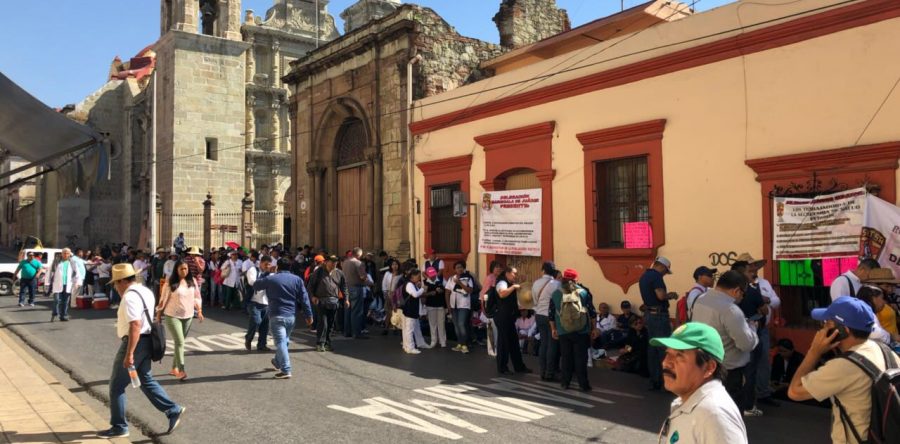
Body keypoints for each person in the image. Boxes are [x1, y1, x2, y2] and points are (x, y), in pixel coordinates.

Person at [789, 296, 900, 443]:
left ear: (842, 330)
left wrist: (813, 352)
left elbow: (794, 392)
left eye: (826, 323)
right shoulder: (885, 351)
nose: (823, 328)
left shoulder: (843, 366)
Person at [98, 263, 184, 438]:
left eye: (115, 283)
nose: (115, 287)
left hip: (135, 342)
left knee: (116, 385)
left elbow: (135, 325)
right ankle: (172, 409)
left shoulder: (129, 297)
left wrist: (129, 354)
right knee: (145, 379)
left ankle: (119, 426)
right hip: (146, 341)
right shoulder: (145, 291)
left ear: (122, 281)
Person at [654, 322, 748, 444]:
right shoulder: (690, 402)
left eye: (679, 356)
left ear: (709, 368)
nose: (666, 363)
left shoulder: (714, 414)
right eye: (668, 353)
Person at [690, 270, 759, 416]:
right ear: (736, 290)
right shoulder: (730, 310)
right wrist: (752, 328)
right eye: (743, 294)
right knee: (729, 417)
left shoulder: (701, 299)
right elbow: (745, 344)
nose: (742, 297)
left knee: (707, 413)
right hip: (727, 371)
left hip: (704, 366)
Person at [252, 258, 313, 379]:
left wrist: (266, 272)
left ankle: (286, 369)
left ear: (277, 267)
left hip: (276, 314)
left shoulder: (271, 278)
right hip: (291, 315)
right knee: (284, 341)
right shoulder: (297, 280)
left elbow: (256, 285)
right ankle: (277, 362)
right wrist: (309, 315)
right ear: (290, 267)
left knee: (280, 342)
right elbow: (304, 298)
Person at [549, 269, 597, 391]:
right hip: (582, 330)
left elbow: (551, 313)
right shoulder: (584, 292)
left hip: (563, 330)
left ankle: (565, 383)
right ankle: (583, 384)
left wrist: (553, 329)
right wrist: (594, 328)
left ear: (564, 278)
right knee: (581, 358)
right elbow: (592, 312)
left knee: (566, 357)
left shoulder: (556, 293)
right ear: (576, 279)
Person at [155, 261, 204, 380]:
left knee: (179, 343)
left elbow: (197, 297)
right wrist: (159, 314)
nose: (184, 271)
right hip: (172, 316)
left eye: (186, 269)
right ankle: (181, 370)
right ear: (176, 270)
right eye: (181, 269)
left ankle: (174, 368)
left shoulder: (192, 281)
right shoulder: (170, 283)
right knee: (180, 342)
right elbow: (163, 299)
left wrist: (200, 311)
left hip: (188, 316)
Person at [731, 260, 768, 416]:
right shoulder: (752, 291)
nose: (752, 273)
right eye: (748, 271)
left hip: (732, 335)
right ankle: (747, 406)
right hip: (751, 335)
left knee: (734, 371)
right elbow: (764, 310)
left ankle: (734, 404)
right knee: (750, 372)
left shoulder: (726, 293)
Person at [639, 257, 678, 391]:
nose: (665, 274)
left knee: (653, 348)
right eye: (666, 271)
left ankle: (654, 381)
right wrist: (671, 295)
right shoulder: (656, 277)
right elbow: (661, 296)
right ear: (661, 267)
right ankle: (666, 382)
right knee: (663, 348)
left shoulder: (644, 276)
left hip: (649, 314)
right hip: (659, 315)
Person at [307, 255, 349, 352]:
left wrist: (346, 299)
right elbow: (310, 286)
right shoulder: (319, 272)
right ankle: (320, 343)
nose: (334, 263)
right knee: (323, 323)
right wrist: (312, 296)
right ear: (326, 262)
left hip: (334, 301)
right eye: (332, 261)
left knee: (330, 324)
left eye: (335, 262)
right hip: (321, 301)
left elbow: (344, 287)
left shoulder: (340, 273)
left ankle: (327, 343)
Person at [494, 266, 531, 375]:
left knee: (513, 343)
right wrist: (513, 287)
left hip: (509, 317)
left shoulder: (509, 284)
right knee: (503, 343)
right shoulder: (502, 282)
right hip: (502, 317)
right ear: (507, 273)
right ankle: (502, 368)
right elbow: (502, 293)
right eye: (514, 273)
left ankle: (519, 366)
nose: (516, 275)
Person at [532, 261, 561, 381]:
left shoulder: (536, 283)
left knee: (543, 343)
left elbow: (534, 300)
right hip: (551, 317)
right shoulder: (556, 284)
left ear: (543, 270)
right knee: (552, 344)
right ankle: (550, 372)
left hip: (539, 315)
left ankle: (542, 371)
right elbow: (559, 301)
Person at [445, 261, 475, 353]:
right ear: (455, 269)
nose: (460, 269)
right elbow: (447, 292)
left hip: (464, 305)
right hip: (454, 305)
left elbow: (470, 290)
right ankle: (460, 343)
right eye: (457, 267)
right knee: (456, 325)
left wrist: (460, 283)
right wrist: (448, 305)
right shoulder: (451, 279)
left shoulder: (468, 278)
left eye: (461, 267)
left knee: (461, 324)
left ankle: (465, 344)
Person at [244, 255, 272, 352]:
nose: (267, 267)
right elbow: (253, 283)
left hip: (266, 302)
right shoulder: (253, 270)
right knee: (256, 321)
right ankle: (248, 338)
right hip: (254, 301)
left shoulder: (270, 274)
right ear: (260, 263)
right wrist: (267, 277)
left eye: (269, 265)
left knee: (265, 325)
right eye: (265, 265)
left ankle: (262, 344)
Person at [342, 247, 370, 339]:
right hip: (356, 288)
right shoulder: (358, 263)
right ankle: (356, 333)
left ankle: (347, 332)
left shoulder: (345, 262)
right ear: (358, 255)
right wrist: (367, 279)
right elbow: (362, 277)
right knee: (357, 311)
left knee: (347, 310)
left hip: (346, 288)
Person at [48, 248, 82, 322]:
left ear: (70, 254)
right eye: (64, 253)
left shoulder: (72, 262)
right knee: (57, 300)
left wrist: (78, 282)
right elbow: (50, 271)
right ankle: (55, 312)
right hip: (57, 284)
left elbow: (77, 273)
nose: (66, 255)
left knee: (65, 301)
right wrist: (47, 282)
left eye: (67, 253)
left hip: (68, 284)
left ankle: (63, 315)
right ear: (61, 254)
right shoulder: (56, 262)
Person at [401, 269, 428, 354]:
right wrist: (422, 289)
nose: (419, 278)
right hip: (410, 310)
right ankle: (410, 347)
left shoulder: (411, 284)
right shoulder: (409, 284)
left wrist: (419, 287)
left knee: (416, 328)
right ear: (412, 276)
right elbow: (415, 295)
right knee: (409, 329)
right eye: (418, 276)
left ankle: (419, 343)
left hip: (411, 310)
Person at [481, 261, 504, 357]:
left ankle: (496, 349)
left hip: (498, 308)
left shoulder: (500, 278)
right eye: (496, 267)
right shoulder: (490, 278)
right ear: (492, 268)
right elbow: (484, 294)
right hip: (490, 308)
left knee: (497, 330)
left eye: (500, 267)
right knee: (491, 330)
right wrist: (484, 308)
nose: (498, 269)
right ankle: (491, 350)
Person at [423, 267, 447, 349]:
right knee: (432, 324)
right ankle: (434, 340)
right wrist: (430, 293)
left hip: (440, 304)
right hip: (430, 305)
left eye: (433, 274)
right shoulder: (425, 282)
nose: (432, 276)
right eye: (430, 275)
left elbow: (447, 289)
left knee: (441, 323)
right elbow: (423, 294)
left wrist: (442, 290)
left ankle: (443, 341)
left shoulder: (441, 279)